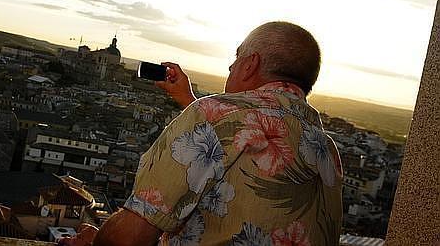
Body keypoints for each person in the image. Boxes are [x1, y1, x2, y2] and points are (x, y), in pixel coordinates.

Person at [60, 21, 343, 246]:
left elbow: (128, 239)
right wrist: (190, 101)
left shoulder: (212, 116)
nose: (231, 66)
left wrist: (95, 239)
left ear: (251, 64)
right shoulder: (326, 151)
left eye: (237, 57)